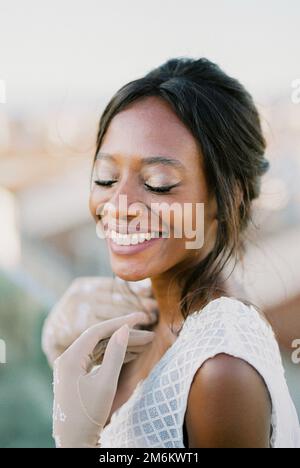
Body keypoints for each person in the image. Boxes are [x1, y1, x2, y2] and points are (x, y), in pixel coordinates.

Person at [45, 57, 300, 448]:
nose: (119, 203)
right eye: (106, 178)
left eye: (158, 183)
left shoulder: (221, 372)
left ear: (224, 198)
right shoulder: (143, 321)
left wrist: (76, 443)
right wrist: (58, 353)